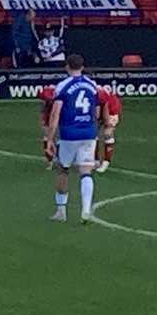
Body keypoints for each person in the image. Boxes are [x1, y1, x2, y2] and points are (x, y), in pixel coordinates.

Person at [46, 54, 100, 224]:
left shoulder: (63, 86)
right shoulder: (92, 85)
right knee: (86, 172)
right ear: (82, 67)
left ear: (67, 66)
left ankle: (61, 211)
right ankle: (85, 209)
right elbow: (96, 110)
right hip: (88, 132)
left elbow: (55, 113)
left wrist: (49, 138)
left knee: (63, 169)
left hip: (69, 133)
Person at [95, 87, 122, 172]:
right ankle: (95, 160)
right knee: (93, 133)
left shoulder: (98, 95)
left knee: (108, 134)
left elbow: (105, 108)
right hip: (103, 107)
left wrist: (107, 124)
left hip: (112, 110)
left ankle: (106, 161)